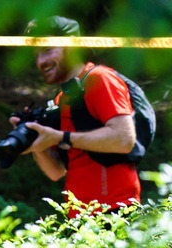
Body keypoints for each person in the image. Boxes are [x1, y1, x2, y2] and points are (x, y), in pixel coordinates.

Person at [14, 16, 140, 212]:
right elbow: (56, 171)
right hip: (78, 219)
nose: (40, 61)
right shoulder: (63, 98)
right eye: (36, 54)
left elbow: (124, 139)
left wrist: (59, 137)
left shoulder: (99, 78)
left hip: (115, 213)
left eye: (47, 50)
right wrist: (35, 141)